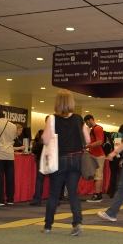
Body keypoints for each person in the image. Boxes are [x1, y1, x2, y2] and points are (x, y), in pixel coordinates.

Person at [40, 89, 90, 236]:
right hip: (77, 160)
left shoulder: (52, 118)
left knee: (54, 193)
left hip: (60, 159)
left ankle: (48, 226)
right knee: (73, 192)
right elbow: (87, 140)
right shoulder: (78, 118)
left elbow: (45, 139)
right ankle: (77, 223)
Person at [84, 114, 106, 203]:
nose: (86, 124)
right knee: (98, 175)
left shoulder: (97, 128)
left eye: (86, 122)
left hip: (98, 155)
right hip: (96, 154)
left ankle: (98, 195)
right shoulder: (95, 129)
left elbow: (100, 142)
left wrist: (88, 146)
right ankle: (98, 193)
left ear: (90, 120)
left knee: (98, 175)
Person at [107, 124, 123, 198]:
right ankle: (120, 194)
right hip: (120, 158)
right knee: (121, 177)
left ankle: (111, 192)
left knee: (113, 176)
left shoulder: (113, 135)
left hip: (112, 157)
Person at [29, 126, 46, 206]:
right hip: (50, 161)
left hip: (41, 161)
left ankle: (37, 200)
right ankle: (55, 200)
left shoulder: (39, 145)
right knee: (54, 181)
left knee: (39, 180)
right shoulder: (49, 143)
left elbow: (33, 150)